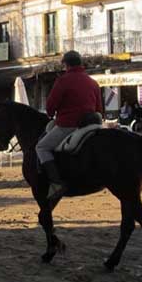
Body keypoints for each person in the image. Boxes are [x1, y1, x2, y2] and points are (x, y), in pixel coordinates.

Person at [36, 50, 103, 205]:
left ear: (66, 65)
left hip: (69, 124)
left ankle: (56, 182)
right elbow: (99, 107)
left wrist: (52, 112)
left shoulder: (63, 81)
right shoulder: (93, 82)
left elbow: (50, 107)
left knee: (41, 147)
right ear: (80, 63)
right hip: (92, 124)